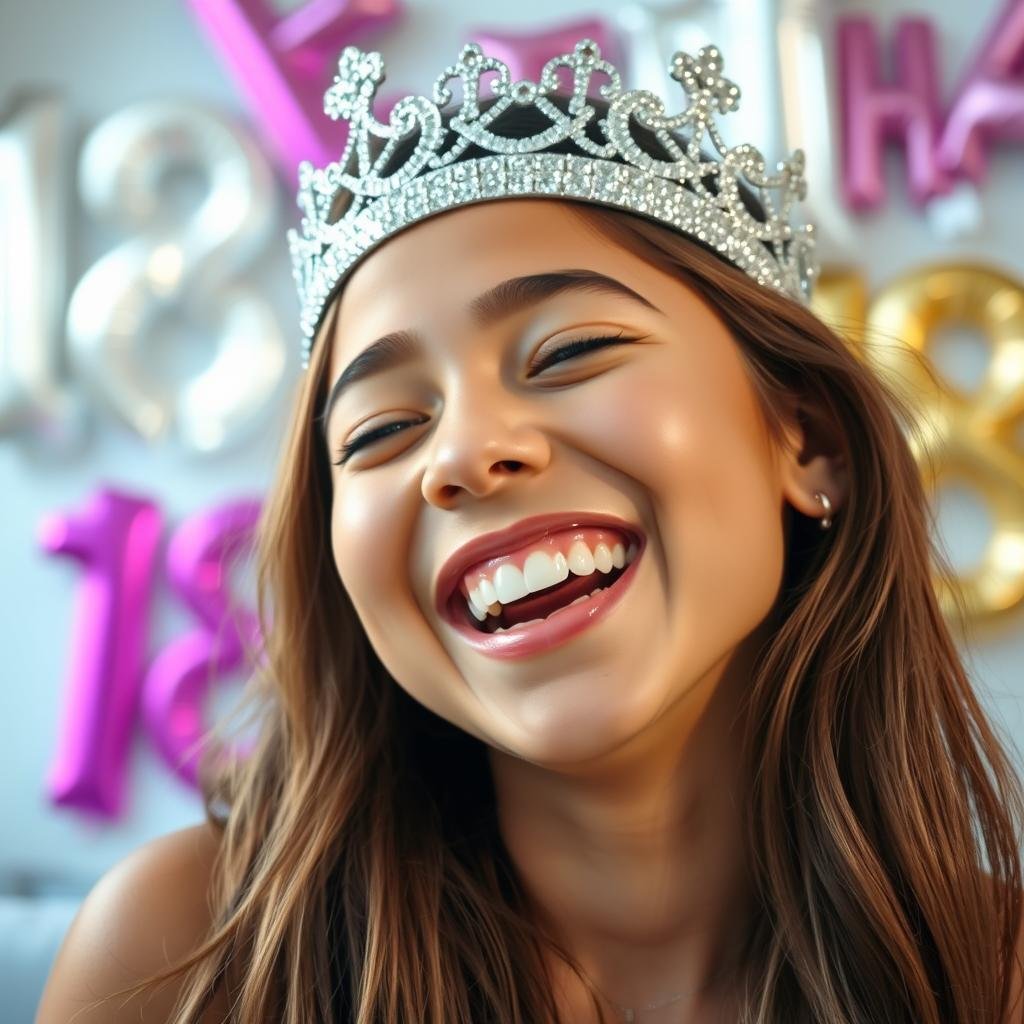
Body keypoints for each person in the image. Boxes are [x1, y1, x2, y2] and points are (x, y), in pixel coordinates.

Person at [37, 37, 1024, 1024]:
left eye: (570, 352)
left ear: (806, 439)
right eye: (383, 428)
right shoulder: (179, 957)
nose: (462, 455)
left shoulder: (998, 975)